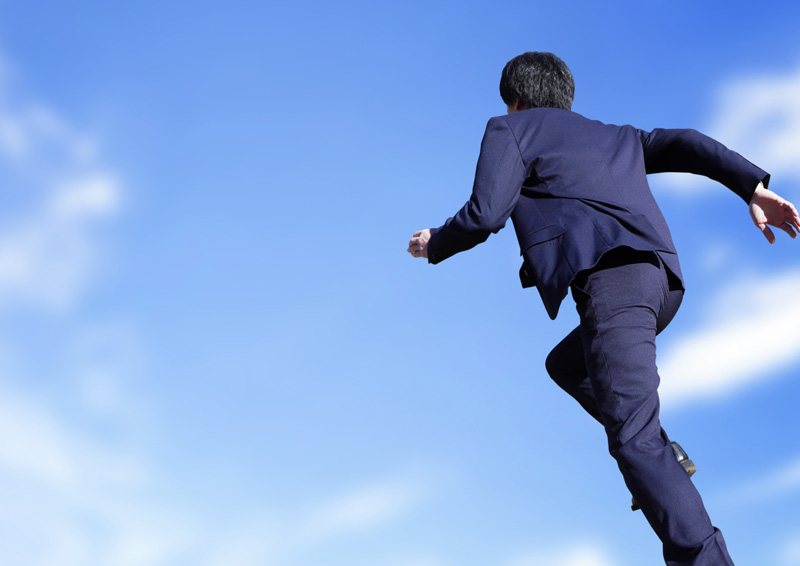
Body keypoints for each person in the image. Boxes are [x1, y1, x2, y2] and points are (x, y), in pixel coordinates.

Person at [407, 51, 800, 566]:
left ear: (515, 100)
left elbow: (485, 214)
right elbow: (685, 142)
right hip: (662, 284)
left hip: (615, 284)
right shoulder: (617, 136)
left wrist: (436, 242)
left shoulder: (512, 129)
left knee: (633, 441)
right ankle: (664, 451)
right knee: (567, 365)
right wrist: (752, 186)